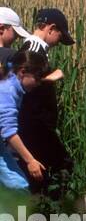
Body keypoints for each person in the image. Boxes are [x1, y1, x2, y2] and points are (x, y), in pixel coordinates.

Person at [15, 9, 76, 196]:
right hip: (33, 124)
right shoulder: (34, 49)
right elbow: (23, 84)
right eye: (59, 36)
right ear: (51, 29)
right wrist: (50, 79)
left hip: (35, 124)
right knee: (60, 165)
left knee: (47, 169)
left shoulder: (36, 49)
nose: (58, 42)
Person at [0, 51, 55, 192]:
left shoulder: (11, 72)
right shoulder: (7, 92)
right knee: (18, 186)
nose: (38, 84)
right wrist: (30, 161)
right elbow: (9, 132)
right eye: (37, 79)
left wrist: (46, 78)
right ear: (23, 72)